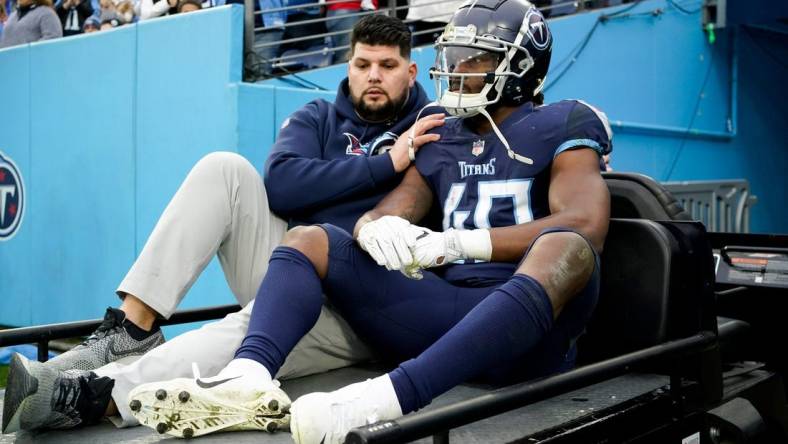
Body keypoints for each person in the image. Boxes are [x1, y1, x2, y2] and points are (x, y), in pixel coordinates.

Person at [126, 1, 613, 442]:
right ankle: (247, 379)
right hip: (442, 311)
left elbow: (585, 223)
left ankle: (380, 400)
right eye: (456, 56)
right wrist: (376, 228)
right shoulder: (441, 128)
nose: (458, 69)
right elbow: (396, 204)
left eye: (476, 58)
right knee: (312, 239)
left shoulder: (565, 121)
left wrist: (459, 244)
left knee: (566, 246)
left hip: (522, 330)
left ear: (522, 66)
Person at [1, 14, 431, 435]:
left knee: (250, 324)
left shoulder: (430, 127)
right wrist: (383, 166)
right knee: (224, 168)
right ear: (349, 66)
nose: (373, 76)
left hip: (357, 308)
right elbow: (280, 185)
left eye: (387, 66)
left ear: (410, 71)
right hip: (293, 265)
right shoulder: (319, 115)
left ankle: (95, 395)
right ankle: (133, 327)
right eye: (362, 64)